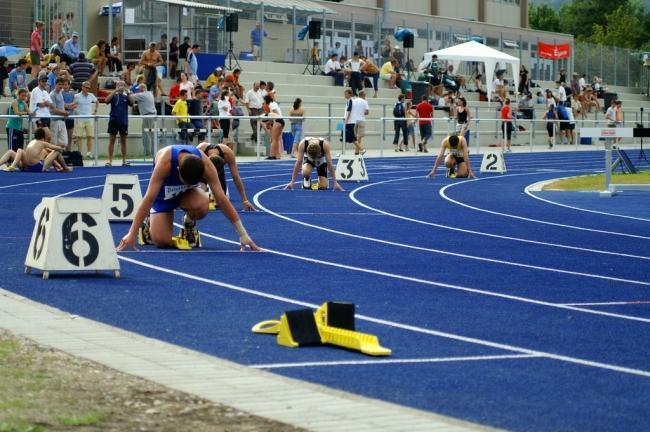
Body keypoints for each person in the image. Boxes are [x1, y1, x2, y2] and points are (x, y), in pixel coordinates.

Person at [116, 145, 259, 251]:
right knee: (162, 242)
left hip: (188, 194)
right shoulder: (165, 163)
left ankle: (189, 222)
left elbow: (221, 199)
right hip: (163, 195)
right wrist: (131, 233)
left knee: (202, 205)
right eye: (184, 181)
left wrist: (243, 234)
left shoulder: (206, 165)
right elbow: (148, 198)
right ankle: (147, 224)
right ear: (177, 169)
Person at [197, 142, 257, 211]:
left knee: (221, 202)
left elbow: (236, 177)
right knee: (199, 203)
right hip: (202, 171)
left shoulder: (228, 153)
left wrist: (245, 200)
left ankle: (212, 196)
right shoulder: (199, 152)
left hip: (217, 168)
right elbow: (190, 174)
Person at [0, 127, 71, 172]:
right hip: (36, 167)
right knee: (57, 151)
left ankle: (12, 165)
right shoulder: (43, 143)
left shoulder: (32, 142)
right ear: (43, 137)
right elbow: (57, 149)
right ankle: (65, 168)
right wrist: (62, 147)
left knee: (13, 151)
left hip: (26, 166)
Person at [105, 80, 134, 166]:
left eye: (122, 85)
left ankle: (124, 160)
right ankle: (110, 160)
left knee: (123, 141)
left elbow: (132, 103)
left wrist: (128, 92)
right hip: (114, 120)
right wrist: (115, 91)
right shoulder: (114, 95)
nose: (121, 87)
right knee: (112, 141)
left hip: (123, 121)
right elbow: (106, 100)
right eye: (119, 85)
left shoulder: (126, 96)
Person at [131, 83, 157, 157]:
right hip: (152, 115)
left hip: (148, 116)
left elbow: (131, 97)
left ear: (142, 89)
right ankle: (153, 152)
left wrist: (128, 91)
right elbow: (143, 102)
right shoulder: (149, 94)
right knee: (152, 134)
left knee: (146, 134)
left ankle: (147, 152)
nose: (138, 91)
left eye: (139, 89)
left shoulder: (142, 95)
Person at [73, 81, 97, 158]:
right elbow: (73, 105)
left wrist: (95, 111)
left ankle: (89, 153)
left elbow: (97, 102)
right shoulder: (77, 96)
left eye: (89, 88)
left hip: (89, 118)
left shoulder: (91, 95)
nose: (87, 89)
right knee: (79, 137)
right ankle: (79, 153)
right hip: (80, 118)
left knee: (90, 136)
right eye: (86, 87)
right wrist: (77, 112)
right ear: (82, 87)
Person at [263, 94, 284, 159]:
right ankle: (277, 155)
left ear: (266, 100)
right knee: (277, 139)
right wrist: (269, 122)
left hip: (278, 121)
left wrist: (267, 117)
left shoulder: (271, 105)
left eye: (264, 101)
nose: (264, 102)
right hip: (281, 121)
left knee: (274, 139)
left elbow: (276, 114)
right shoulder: (274, 103)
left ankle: (272, 155)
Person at [352, 90, 369, 154]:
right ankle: (358, 150)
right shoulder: (365, 101)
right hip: (361, 119)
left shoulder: (353, 101)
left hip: (353, 120)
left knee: (354, 136)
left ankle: (357, 151)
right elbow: (367, 112)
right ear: (363, 95)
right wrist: (362, 112)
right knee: (359, 136)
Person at [342, 89, 357, 153]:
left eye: (346, 94)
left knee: (352, 138)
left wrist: (346, 121)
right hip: (346, 121)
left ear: (350, 94)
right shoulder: (348, 101)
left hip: (349, 122)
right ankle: (343, 151)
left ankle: (361, 149)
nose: (344, 95)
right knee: (343, 136)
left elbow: (349, 111)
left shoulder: (350, 101)